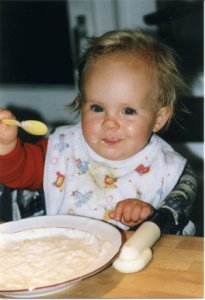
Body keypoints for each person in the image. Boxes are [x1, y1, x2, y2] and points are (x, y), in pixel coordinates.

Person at [0, 29, 197, 234]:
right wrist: (6, 146)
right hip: (67, 255)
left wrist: (147, 215)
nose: (109, 123)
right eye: (97, 108)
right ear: (81, 104)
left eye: (128, 111)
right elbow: (19, 172)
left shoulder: (165, 168)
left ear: (158, 118)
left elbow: (170, 232)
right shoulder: (64, 147)